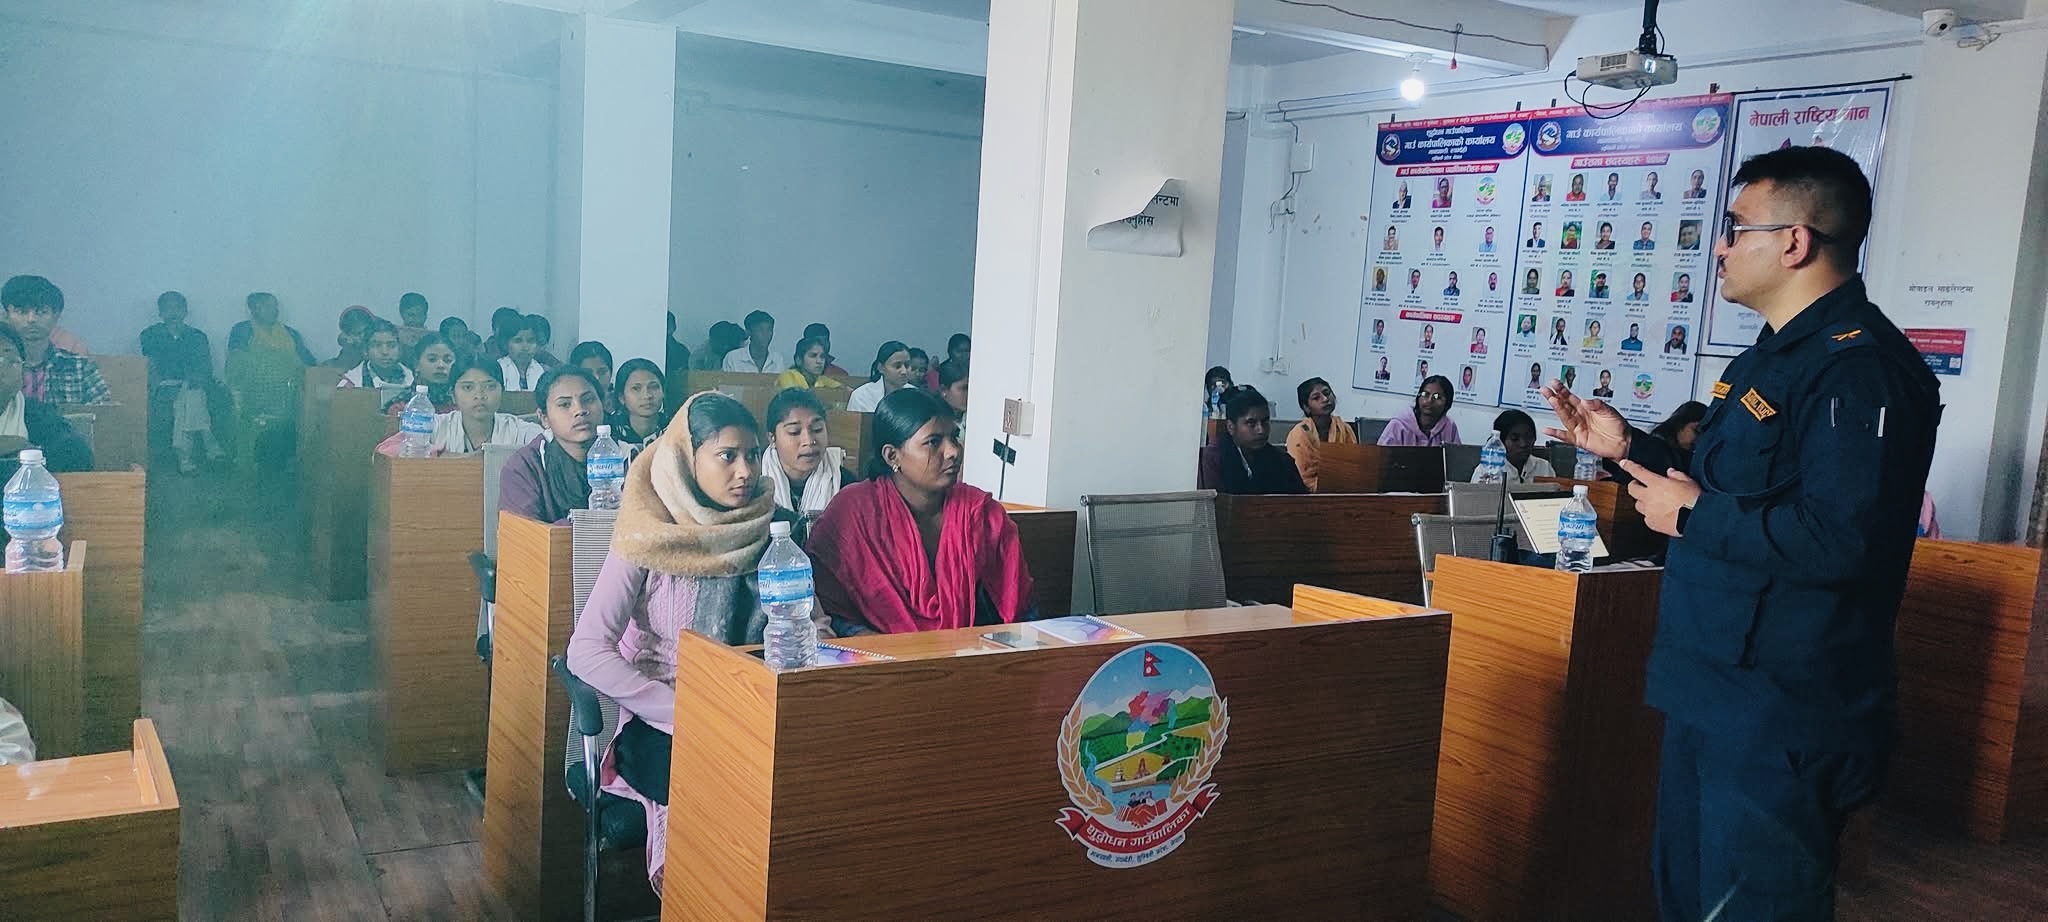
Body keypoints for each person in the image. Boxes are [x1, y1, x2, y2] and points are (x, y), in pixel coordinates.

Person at [1541, 146, 1940, 922]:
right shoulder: (1773, 358)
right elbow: (1729, 489)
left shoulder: (1860, 369)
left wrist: (1695, 515)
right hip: (1716, 683)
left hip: (1785, 704)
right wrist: (1630, 450)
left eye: (1735, 228)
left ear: (1794, 242)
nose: (1719, 247)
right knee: (1688, 896)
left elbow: (1844, 539)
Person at [567, 391, 818, 888]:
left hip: (756, 710)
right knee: (731, 792)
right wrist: (680, 708)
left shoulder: (775, 532)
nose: (745, 472)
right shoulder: (647, 533)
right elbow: (586, 650)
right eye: (727, 456)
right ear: (687, 460)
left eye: (752, 455)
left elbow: (811, 624)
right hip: (666, 723)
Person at [809, 388, 1037, 633]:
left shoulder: (980, 512)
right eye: (933, 442)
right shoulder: (853, 513)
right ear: (892, 456)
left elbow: (1020, 608)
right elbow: (830, 612)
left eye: (954, 437)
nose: (953, 451)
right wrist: (876, 646)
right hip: (876, 652)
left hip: (971, 650)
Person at [375, 357, 543, 457]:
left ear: (502, 392)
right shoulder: (435, 425)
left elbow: (547, 449)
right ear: (453, 394)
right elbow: (385, 450)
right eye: (468, 387)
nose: (480, 395)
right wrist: (440, 454)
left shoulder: (519, 430)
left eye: (490, 386)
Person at [498, 366, 604, 523]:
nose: (580, 410)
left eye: (588, 400)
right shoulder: (525, 466)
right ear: (544, 418)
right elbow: (524, 533)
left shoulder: (628, 458)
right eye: (565, 404)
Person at [225, 291, 317, 471]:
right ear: (253, 309)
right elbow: (236, 362)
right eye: (267, 306)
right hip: (254, 393)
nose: (274, 310)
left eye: (275, 306)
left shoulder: (290, 333)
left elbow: (309, 363)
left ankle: (292, 461)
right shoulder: (242, 330)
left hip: (288, 393)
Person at [140, 291, 226, 472]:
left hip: (194, 386)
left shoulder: (197, 336)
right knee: (189, 398)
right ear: (160, 313)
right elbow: (153, 367)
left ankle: (184, 459)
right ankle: (210, 445)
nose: (173, 313)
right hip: (165, 386)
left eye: (177, 308)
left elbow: (205, 367)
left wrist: (190, 381)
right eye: (167, 308)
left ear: (185, 311)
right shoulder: (150, 335)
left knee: (185, 401)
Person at [0, 325, 92, 482]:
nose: (1, 368)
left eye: (10, 360)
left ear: (23, 372)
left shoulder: (38, 416)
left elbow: (79, 458)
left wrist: (32, 453)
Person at [0, 276, 111, 406]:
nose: (31, 319)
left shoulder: (81, 368)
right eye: (21, 312)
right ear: (6, 315)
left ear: (56, 315)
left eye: (41, 312)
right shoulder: (2, 367)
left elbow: (105, 415)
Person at [761, 387, 857, 525]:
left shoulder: (845, 485)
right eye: (794, 432)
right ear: (772, 439)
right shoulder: (755, 484)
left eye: (817, 429)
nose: (809, 441)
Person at [1198, 386, 1308, 495]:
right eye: (1251, 423)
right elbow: (1214, 503)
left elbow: (1301, 500)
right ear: (1231, 427)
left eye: (1265, 422)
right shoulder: (1213, 459)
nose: (1261, 430)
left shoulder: (1282, 460)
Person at [1285, 377, 1356, 493]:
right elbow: (1302, 476)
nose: (1325, 399)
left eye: (1327, 393)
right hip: (1306, 495)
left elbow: (1354, 466)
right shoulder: (1300, 433)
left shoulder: (1345, 429)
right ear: (1306, 407)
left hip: (1344, 490)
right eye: (1316, 398)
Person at [1472, 409, 1555, 484]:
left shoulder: (1544, 467)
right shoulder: (1487, 471)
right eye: (1514, 439)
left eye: (1529, 437)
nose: (1523, 444)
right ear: (1501, 441)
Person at [385, 334, 460, 416]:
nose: (441, 365)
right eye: (432, 359)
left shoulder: (462, 404)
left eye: (448, 360)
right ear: (416, 364)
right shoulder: (400, 407)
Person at [1378, 376, 1460, 447]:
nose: (1429, 400)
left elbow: (1457, 457)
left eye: (1437, 397)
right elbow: (1380, 456)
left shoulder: (1449, 426)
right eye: (1425, 394)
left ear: (1447, 403)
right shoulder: (1398, 424)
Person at [610, 358, 670, 449]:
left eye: (653, 387)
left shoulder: (675, 428)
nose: (647, 395)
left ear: (663, 392)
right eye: (636, 388)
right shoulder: (610, 433)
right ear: (621, 397)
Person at [337, 319, 414, 390]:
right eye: (377, 345)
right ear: (365, 350)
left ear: (400, 349)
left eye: (391, 345)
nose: (385, 352)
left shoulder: (412, 379)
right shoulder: (351, 383)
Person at [847, 341, 913, 413]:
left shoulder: (916, 395)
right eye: (897, 366)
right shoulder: (861, 396)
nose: (904, 371)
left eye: (907, 365)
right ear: (881, 368)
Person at [1647, 400, 1707, 474]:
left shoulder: (1686, 456)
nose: (1700, 439)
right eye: (1696, 431)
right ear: (1680, 424)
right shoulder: (1655, 450)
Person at [777, 336, 850, 393]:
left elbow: (846, 390)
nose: (819, 361)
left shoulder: (821, 379)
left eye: (822, 356)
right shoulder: (788, 376)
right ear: (798, 360)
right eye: (813, 356)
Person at [497, 315, 545, 392]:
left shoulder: (540, 371)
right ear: (505, 344)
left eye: (530, 341)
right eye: (518, 341)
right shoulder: (498, 369)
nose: (525, 347)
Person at [937, 360, 969, 438]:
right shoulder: (935, 422)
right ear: (943, 390)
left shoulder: (975, 418)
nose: (969, 394)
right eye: (964, 388)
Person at [396, 292, 431, 362]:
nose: (415, 320)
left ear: (425, 316)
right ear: (402, 314)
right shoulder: (394, 337)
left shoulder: (433, 340)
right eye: (411, 315)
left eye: (419, 315)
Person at [665, 312, 692, 380]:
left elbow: (688, 375)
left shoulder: (682, 351)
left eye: (669, 325)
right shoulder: (648, 350)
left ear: (674, 327)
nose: (667, 328)